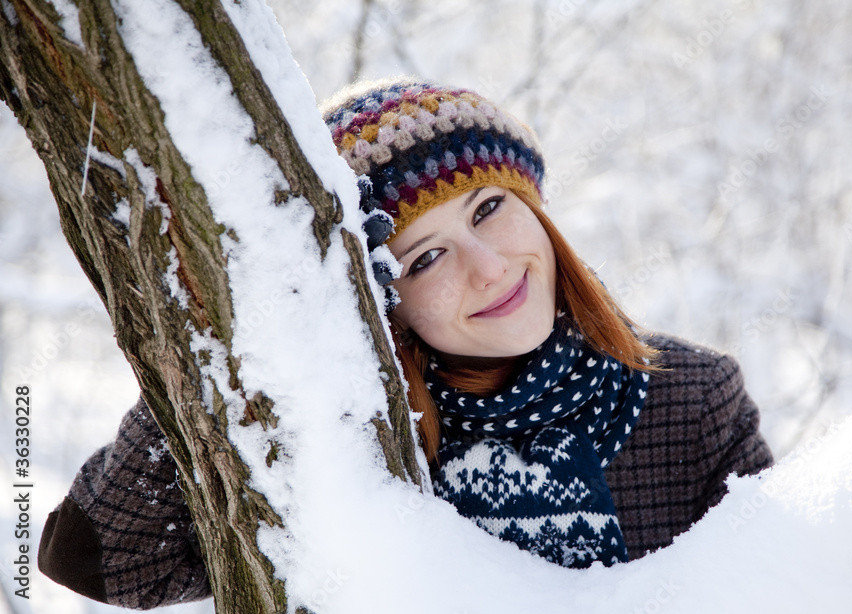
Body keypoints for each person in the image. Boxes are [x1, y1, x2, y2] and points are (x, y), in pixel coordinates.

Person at [38, 77, 774, 608]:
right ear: (381, 306)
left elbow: (786, 583)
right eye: (425, 258)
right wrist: (238, 328)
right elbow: (100, 560)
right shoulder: (346, 437)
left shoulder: (689, 396)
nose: (488, 269)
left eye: (489, 209)